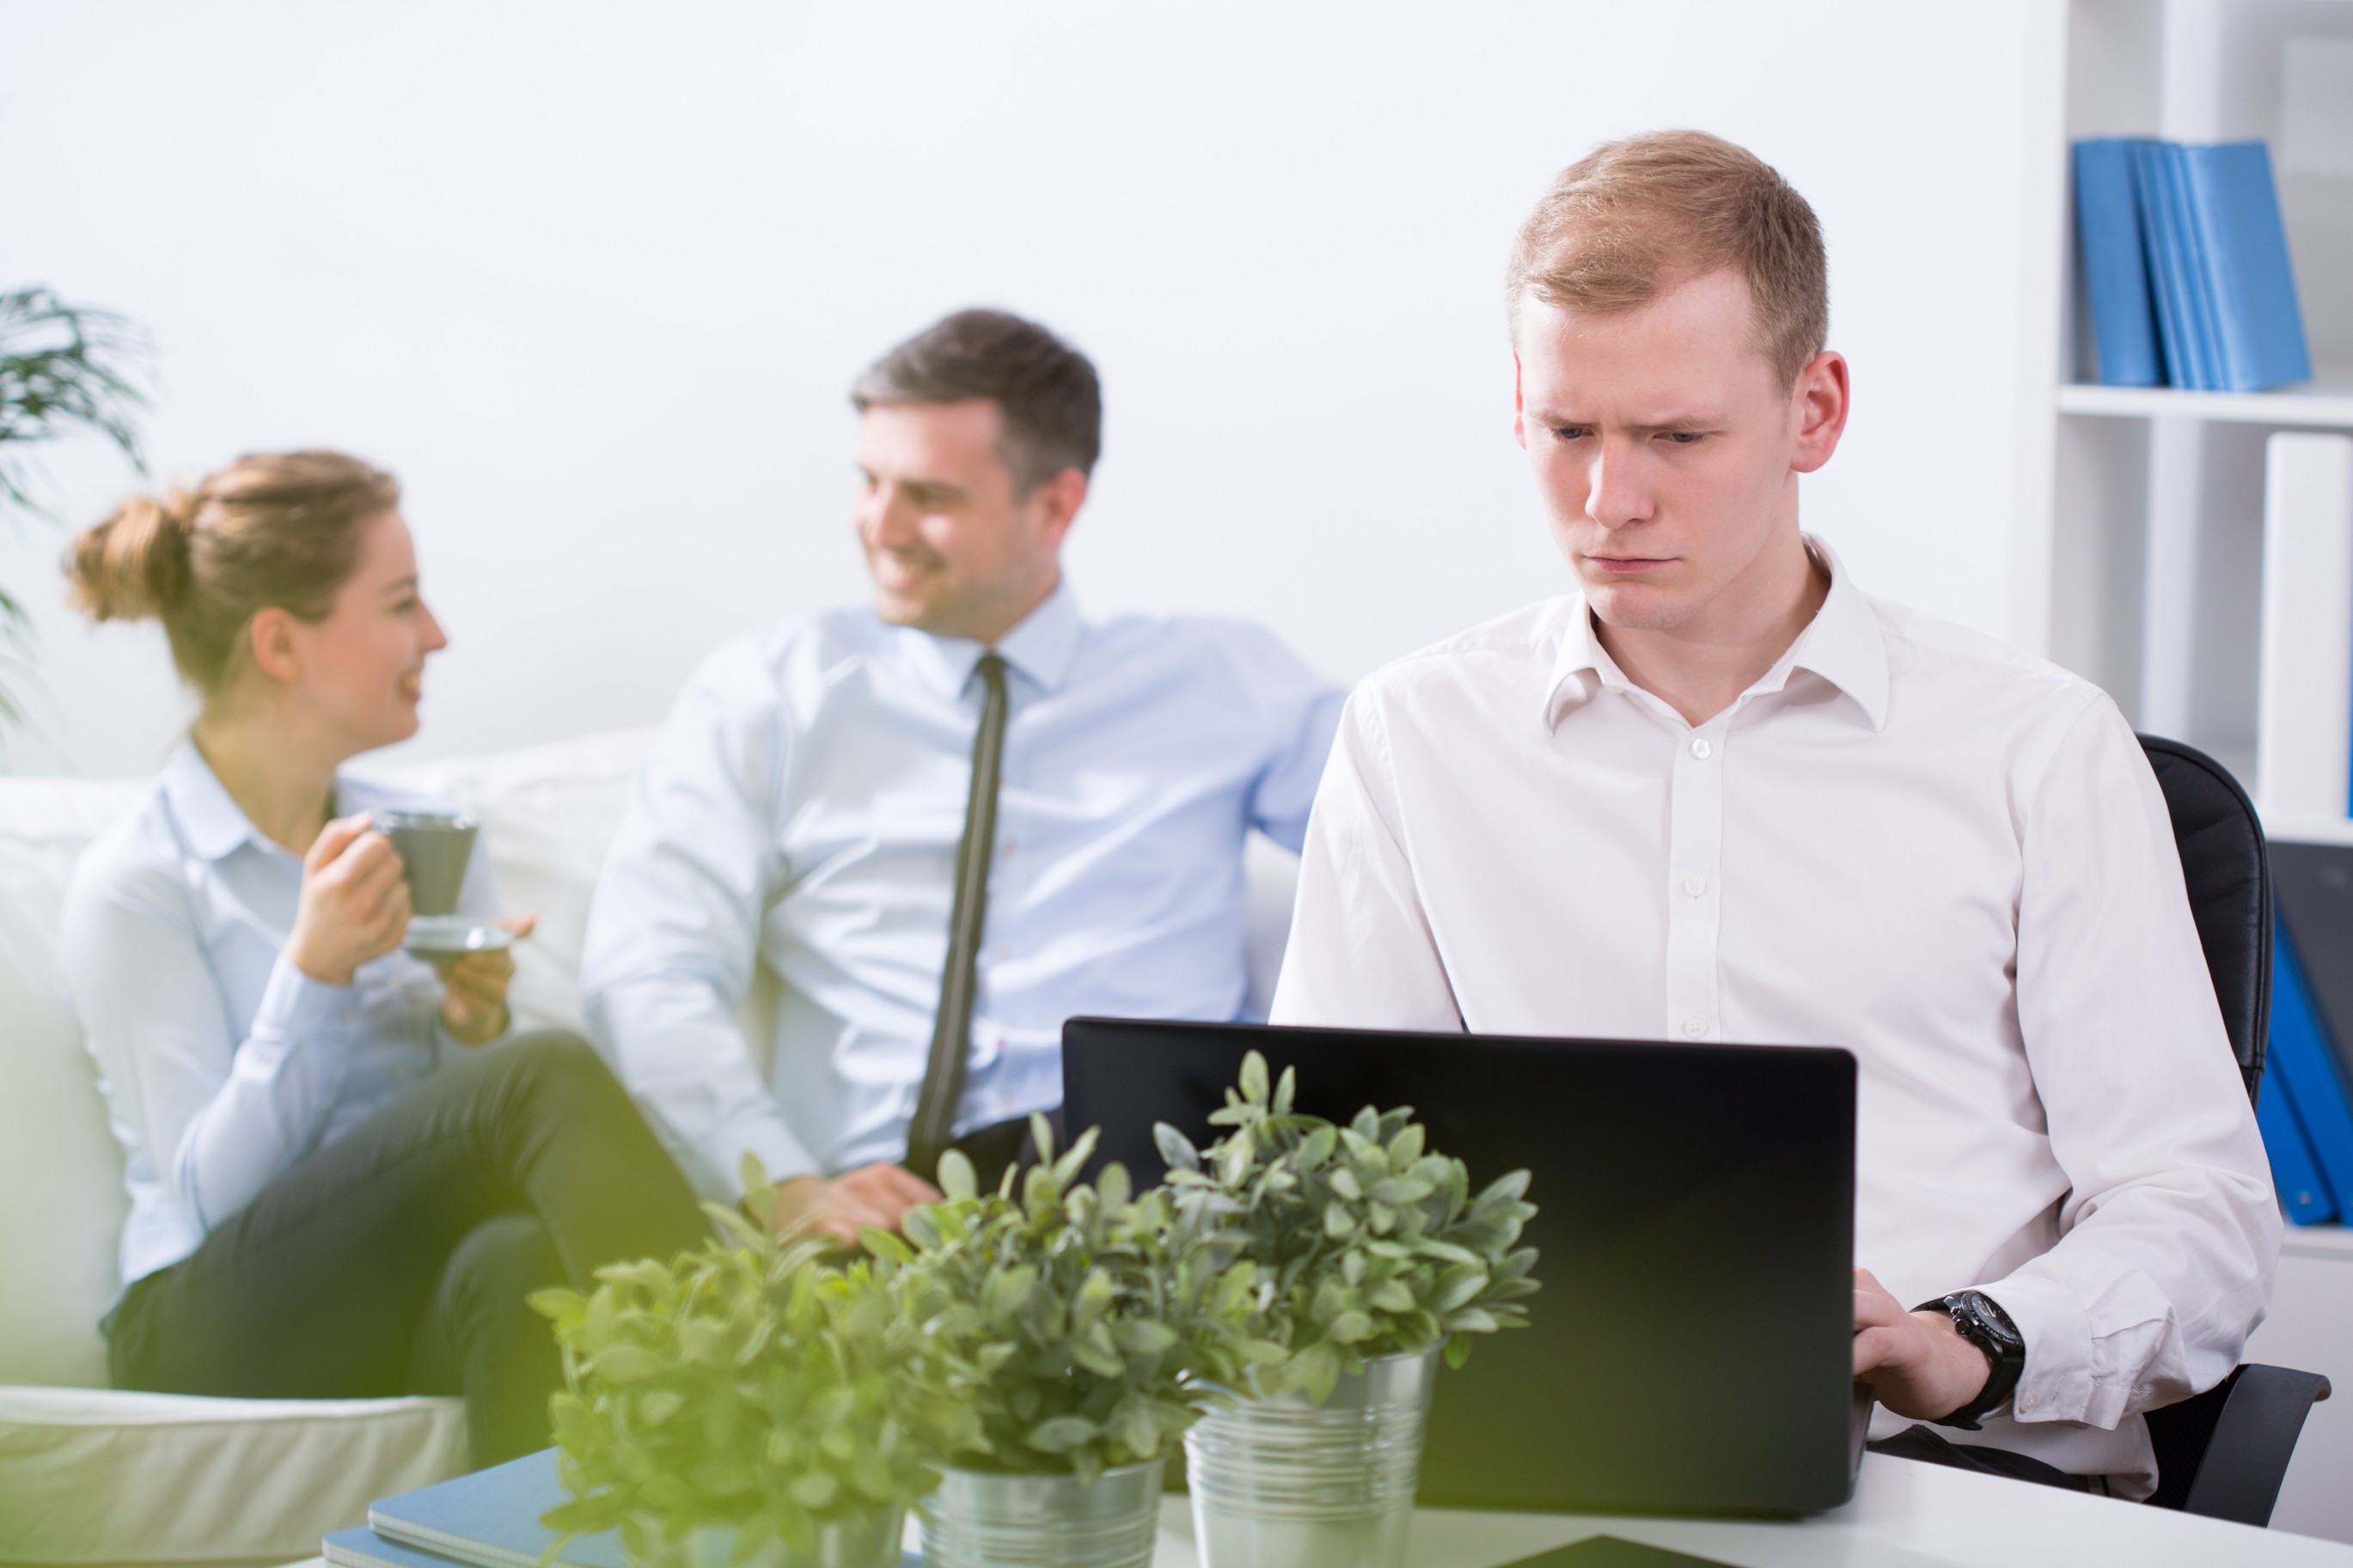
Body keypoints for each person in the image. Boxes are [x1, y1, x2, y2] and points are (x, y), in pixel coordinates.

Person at [1268, 131, 2279, 1498]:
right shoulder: (1415, 735)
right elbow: (1322, 1172)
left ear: (1814, 409)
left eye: (1677, 436)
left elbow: (2197, 1213)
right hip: (1541, 1451)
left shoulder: (2035, 745)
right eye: (1567, 430)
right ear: (1518, 402)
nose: (1608, 501)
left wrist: (1968, 1341)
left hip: (1949, 1471)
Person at [581, 308, 1343, 1243]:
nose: (879, 525)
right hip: (877, 1218)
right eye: (869, 482)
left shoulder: (1224, 683)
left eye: (928, 495)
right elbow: (647, 969)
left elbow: (1424, 840)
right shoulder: (770, 692)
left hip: (1164, 1205)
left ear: (1055, 506)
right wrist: (784, 1185)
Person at [58, 451, 708, 1467]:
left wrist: (468, 1030)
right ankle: (762, 1428)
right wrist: (311, 977)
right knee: (541, 1075)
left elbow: (434, 1164)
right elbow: (209, 1203)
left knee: (516, 1260)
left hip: (382, 1294)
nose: (435, 633)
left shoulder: (420, 840)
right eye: (402, 602)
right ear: (280, 642)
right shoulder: (139, 884)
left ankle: (533, 1538)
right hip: (203, 1323)